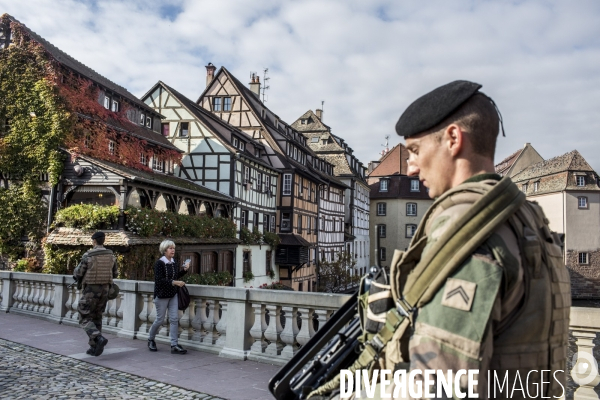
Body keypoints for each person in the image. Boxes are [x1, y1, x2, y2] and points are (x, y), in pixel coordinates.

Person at [319, 81, 570, 400]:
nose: (410, 168)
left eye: (414, 151)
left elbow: (439, 387)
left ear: (453, 138)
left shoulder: (467, 232)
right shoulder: (528, 218)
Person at [73, 231, 118, 357]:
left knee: (84, 316)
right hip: (105, 290)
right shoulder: (111, 255)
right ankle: (94, 348)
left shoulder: (89, 255)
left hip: (90, 291)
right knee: (97, 317)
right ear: (103, 240)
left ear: (94, 241)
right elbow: (115, 273)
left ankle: (97, 338)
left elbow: (78, 273)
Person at [147, 239, 190, 354]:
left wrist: (184, 270)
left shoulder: (174, 262)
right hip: (161, 295)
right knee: (160, 320)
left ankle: (174, 345)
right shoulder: (159, 263)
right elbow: (159, 280)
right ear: (164, 250)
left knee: (174, 319)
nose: (173, 250)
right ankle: (151, 339)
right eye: (170, 248)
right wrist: (175, 282)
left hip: (173, 294)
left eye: (174, 248)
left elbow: (175, 275)